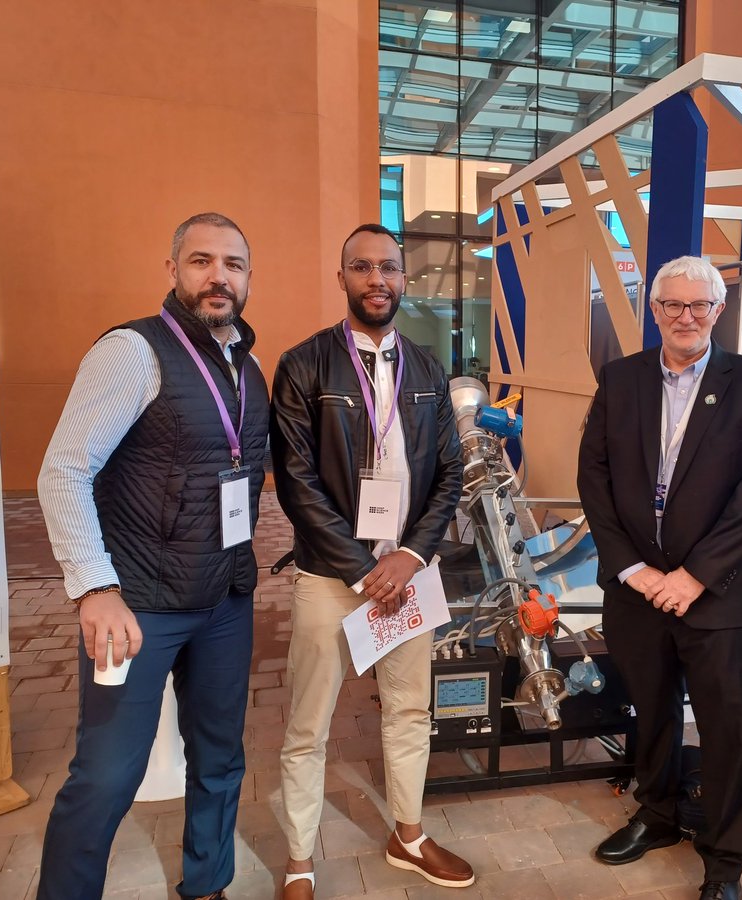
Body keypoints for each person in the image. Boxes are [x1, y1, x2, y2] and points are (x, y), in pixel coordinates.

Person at [36, 212, 268, 900]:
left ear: (249, 278)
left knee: (221, 758)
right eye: (201, 261)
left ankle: (207, 883)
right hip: (137, 606)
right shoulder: (131, 352)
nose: (218, 276)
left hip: (224, 601)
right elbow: (64, 470)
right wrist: (94, 588)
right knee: (107, 773)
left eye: (232, 264)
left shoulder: (247, 365)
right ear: (173, 271)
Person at [269, 223, 472, 899]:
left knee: (411, 710)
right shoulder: (304, 365)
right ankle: (300, 861)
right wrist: (363, 569)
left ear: (404, 279)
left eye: (388, 268)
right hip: (332, 576)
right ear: (342, 278)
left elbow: (450, 470)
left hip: (410, 573)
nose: (376, 279)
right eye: (362, 267)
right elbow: (297, 483)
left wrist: (411, 556)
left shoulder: (427, 367)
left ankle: (407, 835)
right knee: (309, 721)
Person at [578, 256, 742, 900]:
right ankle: (660, 813)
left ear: (719, 313)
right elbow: (595, 476)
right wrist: (634, 569)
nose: (685, 317)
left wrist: (695, 575)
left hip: (721, 593)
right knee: (652, 709)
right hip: (637, 590)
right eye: (673, 305)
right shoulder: (621, 378)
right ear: (656, 309)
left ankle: (725, 855)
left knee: (727, 725)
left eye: (700, 306)